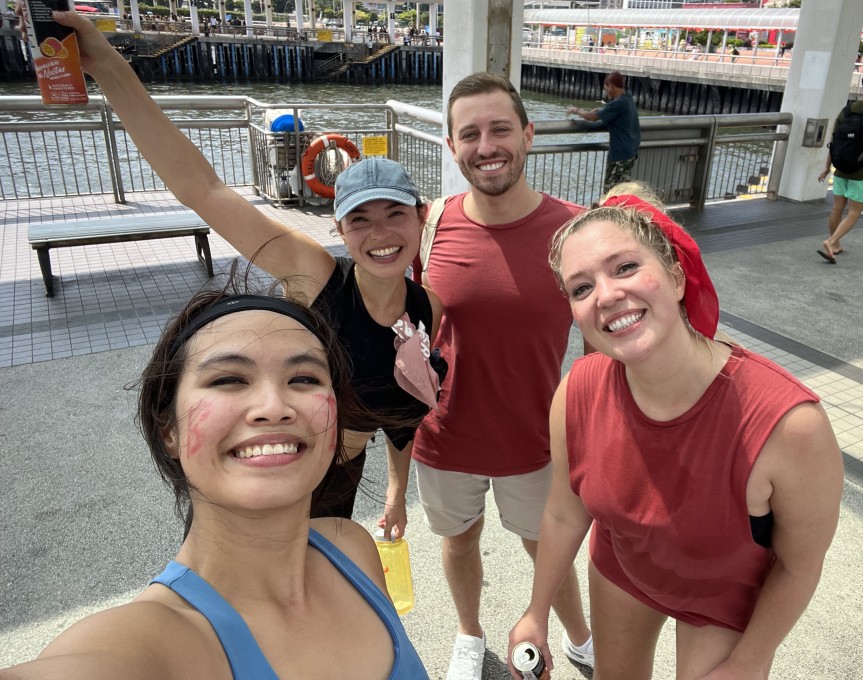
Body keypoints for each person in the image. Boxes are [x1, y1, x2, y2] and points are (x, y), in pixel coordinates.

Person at [47, 8, 443, 537]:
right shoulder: (316, 276)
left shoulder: (427, 308)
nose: (381, 234)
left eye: (395, 213)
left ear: (420, 218)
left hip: (341, 477)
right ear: (340, 230)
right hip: (266, 467)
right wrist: (110, 68)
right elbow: (204, 190)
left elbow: (403, 419)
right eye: (360, 220)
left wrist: (397, 495)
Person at [0, 274, 430, 679]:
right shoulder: (149, 643)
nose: (274, 405)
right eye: (228, 379)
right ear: (169, 428)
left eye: (304, 377)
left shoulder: (350, 545)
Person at [508, 183, 844, 680]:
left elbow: (799, 565)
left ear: (677, 275)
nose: (607, 295)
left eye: (625, 267)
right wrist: (536, 613)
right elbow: (563, 510)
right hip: (624, 568)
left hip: (724, 594)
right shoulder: (577, 392)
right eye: (581, 287)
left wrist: (747, 664)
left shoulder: (788, 425)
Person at [412, 72, 593, 680]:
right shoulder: (430, 224)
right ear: (451, 145)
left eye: (500, 129)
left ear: (529, 135)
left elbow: (603, 349)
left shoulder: (575, 231)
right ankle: (469, 632)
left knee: (548, 547)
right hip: (444, 435)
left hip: (537, 438)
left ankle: (577, 634)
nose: (486, 145)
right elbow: (402, 321)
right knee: (459, 539)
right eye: (470, 134)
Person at [816, 68, 863, 263]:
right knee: (854, 211)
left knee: (837, 208)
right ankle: (831, 241)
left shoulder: (847, 110)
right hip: (862, 171)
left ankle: (835, 245)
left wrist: (827, 167)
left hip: (841, 167)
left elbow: (834, 142)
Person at [566, 70, 641, 194]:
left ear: (611, 86)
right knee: (622, 191)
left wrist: (576, 110)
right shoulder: (627, 99)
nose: (605, 91)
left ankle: (610, 212)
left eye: (606, 88)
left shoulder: (619, 103)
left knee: (610, 192)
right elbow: (613, 112)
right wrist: (602, 110)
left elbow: (592, 117)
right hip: (630, 153)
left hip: (620, 156)